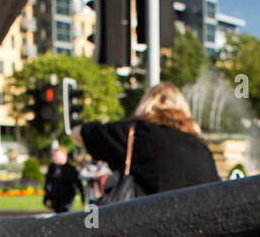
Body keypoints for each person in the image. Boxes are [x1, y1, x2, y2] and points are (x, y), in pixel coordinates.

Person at [72, 83, 219, 196]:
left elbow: (81, 134)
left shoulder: (134, 133)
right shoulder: (201, 148)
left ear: (146, 104)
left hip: (145, 228)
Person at [43, 147, 85, 214]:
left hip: (66, 199)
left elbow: (79, 184)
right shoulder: (52, 168)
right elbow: (48, 183)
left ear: (64, 156)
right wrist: (47, 197)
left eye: (56, 156)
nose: (54, 158)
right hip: (55, 198)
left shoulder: (71, 169)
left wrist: (83, 199)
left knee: (64, 214)